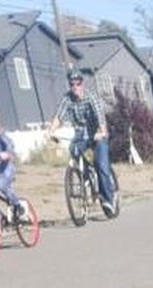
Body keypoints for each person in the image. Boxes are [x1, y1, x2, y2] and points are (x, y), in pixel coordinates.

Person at [48, 66, 114, 209]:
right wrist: (51, 131)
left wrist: (102, 132)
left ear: (82, 84)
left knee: (101, 165)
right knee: (73, 148)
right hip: (81, 134)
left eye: (78, 83)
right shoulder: (67, 99)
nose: (75, 87)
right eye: (72, 84)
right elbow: (59, 116)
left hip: (97, 131)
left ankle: (108, 200)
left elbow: (100, 116)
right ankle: (85, 177)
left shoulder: (91, 96)